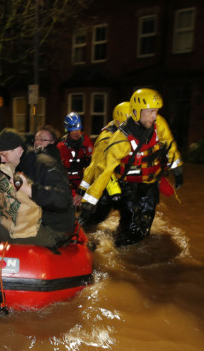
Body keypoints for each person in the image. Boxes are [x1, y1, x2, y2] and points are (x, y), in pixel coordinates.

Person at [79, 88, 184, 247]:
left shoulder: (159, 124)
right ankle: (112, 239)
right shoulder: (118, 141)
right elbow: (103, 172)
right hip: (127, 185)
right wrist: (88, 201)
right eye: (151, 112)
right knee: (127, 222)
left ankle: (131, 240)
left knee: (144, 224)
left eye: (156, 111)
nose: (155, 116)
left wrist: (177, 167)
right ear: (136, 112)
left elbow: (169, 144)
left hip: (149, 183)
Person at [0, 128, 75, 248]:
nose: (3, 160)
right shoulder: (21, 163)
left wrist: (29, 189)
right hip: (37, 221)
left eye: (4, 155)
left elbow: (63, 199)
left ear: (18, 150)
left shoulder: (43, 164)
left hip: (55, 230)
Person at [74, 102, 131, 225]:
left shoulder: (136, 136)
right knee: (95, 218)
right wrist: (83, 193)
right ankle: (81, 227)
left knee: (130, 219)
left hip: (127, 185)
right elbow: (95, 166)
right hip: (106, 186)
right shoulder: (106, 139)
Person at [56, 112, 94, 197]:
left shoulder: (86, 142)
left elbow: (94, 161)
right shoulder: (61, 147)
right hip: (67, 183)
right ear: (68, 130)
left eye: (78, 129)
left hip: (84, 181)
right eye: (73, 130)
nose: (77, 132)